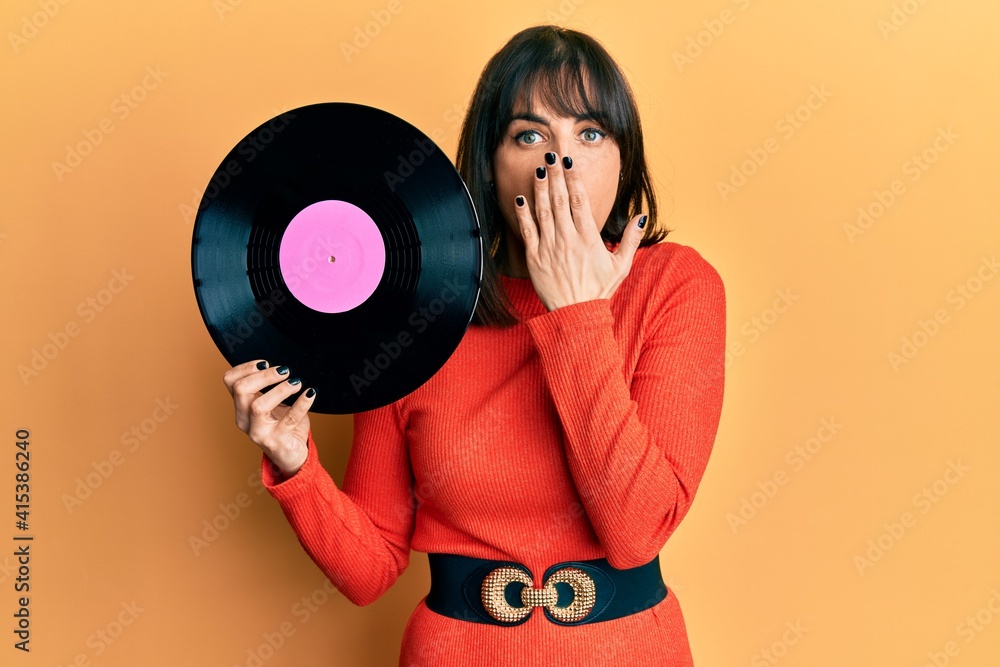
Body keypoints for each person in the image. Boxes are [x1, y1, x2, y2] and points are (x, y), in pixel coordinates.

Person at [222, 24, 726, 667]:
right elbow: (370, 569)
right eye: (530, 134)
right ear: (489, 165)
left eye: (590, 133)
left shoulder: (676, 286)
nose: (559, 161)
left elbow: (634, 532)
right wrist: (295, 463)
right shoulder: (415, 312)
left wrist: (575, 312)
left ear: (624, 159)